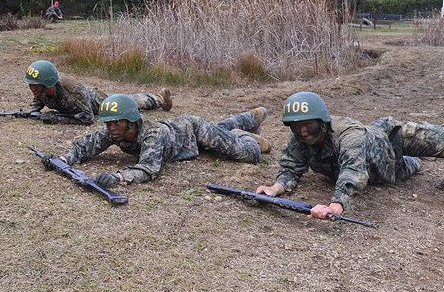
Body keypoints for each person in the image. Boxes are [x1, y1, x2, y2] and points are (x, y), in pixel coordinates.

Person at [256, 91, 444, 221]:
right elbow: (291, 167)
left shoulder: (349, 135)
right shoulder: (298, 136)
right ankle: (420, 160)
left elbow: (352, 172)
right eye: (297, 127)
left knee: (437, 139)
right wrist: (274, 189)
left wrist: (335, 206)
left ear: (322, 122)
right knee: (413, 164)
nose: (303, 132)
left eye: (308, 125)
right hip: (388, 165)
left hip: (390, 141)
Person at [40, 94, 271, 188]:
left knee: (249, 154)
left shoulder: (152, 133)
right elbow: (85, 146)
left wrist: (118, 177)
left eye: (116, 123)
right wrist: (62, 159)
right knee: (220, 131)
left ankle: (244, 133)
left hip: (193, 130)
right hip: (184, 135)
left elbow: (149, 169)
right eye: (108, 123)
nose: (110, 127)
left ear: (131, 121)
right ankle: (249, 117)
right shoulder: (114, 130)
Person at [24, 59, 172, 125]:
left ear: (49, 84)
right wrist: (33, 112)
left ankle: (160, 98)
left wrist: (58, 119)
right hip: (80, 105)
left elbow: (88, 118)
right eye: (31, 85)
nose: (33, 89)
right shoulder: (42, 90)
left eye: (36, 85)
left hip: (99, 102)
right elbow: (39, 98)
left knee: (129, 103)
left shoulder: (74, 93)